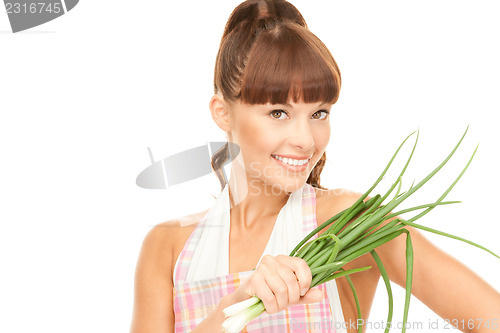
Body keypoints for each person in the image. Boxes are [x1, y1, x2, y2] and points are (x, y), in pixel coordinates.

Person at [130, 1, 500, 332]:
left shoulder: (349, 225)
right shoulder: (168, 247)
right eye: (278, 112)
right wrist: (230, 312)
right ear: (222, 113)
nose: (306, 140)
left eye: (319, 112)